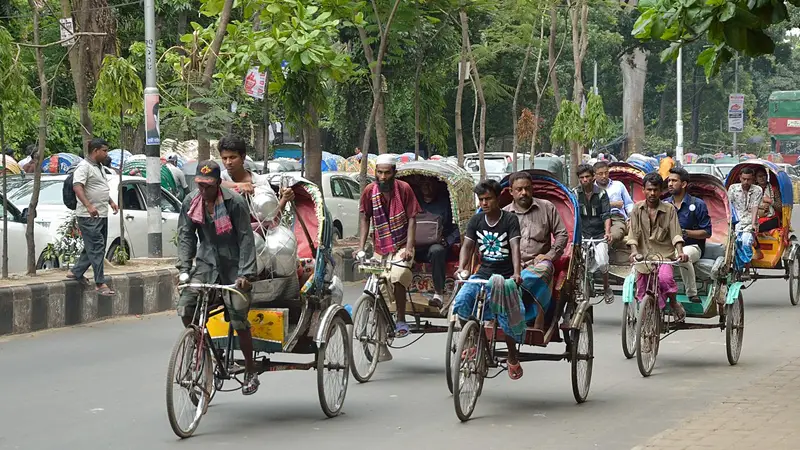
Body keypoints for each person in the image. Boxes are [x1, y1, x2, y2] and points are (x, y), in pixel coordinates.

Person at [176, 160, 261, 395]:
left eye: (209, 186)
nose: (203, 191)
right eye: (200, 185)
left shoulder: (235, 203)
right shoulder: (190, 202)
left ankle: (250, 371)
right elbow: (185, 236)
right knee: (186, 308)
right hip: (206, 264)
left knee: (237, 316)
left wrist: (246, 274)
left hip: (234, 267)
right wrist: (184, 268)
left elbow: (246, 239)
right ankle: (205, 349)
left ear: (218, 184)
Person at [453, 179, 524, 379]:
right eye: (481, 199)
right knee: (462, 301)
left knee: (506, 318)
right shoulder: (476, 221)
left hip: (504, 276)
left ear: (498, 198)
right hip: (483, 273)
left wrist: (516, 273)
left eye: (488, 199)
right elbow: (467, 247)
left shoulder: (509, 220)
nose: (484, 203)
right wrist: (461, 268)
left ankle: (511, 356)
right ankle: (476, 341)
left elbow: (515, 248)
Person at [357, 153, 421, 337]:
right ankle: (381, 317)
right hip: (380, 245)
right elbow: (365, 218)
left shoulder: (404, 189)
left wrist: (409, 248)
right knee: (375, 279)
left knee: (398, 274)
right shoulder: (370, 191)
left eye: (386, 173)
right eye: (379, 173)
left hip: (402, 243)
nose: (383, 177)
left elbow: (412, 219)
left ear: (394, 172)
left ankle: (401, 319)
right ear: (375, 173)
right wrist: (360, 248)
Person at [503, 171, 568, 331]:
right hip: (512, 264)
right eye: (519, 189)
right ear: (511, 191)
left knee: (544, 268)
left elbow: (562, 234)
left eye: (527, 188)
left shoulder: (546, 207)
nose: (524, 193)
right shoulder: (504, 214)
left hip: (538, 265)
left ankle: (539, 320)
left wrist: (549, 255)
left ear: (532, 189)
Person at [627, 172, 688, 321]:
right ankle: (645, 317)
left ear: (661, 191)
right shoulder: (637, 209)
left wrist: (680, 252)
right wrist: (634, 252)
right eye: (649, 189)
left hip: (664, 257)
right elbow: (632, 236)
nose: (652, 193)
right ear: (643, 190)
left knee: (665, 279)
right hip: (643, 257)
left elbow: (676, 234)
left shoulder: (669, 209)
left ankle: (673, 303)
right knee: (641, 291)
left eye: (655, 189)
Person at [67, 138, 118, 296]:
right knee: (96, 246)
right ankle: (100, 283)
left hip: (101, 213)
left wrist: (110, 201)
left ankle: (76, 271)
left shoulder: (99, 167)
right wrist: (88, 206)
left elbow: (99, 186)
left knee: (96, 246)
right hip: (88, 215)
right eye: (104, 150)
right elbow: (78, 186)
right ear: (95, 151)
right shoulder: (84, 167)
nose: (106, 153)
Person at [665, 167, 712, 304]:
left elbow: (707, 232)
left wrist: (684, 232)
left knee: (683, 255)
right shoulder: (665, 205)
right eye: (669, 181)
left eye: (674, 181)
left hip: (693, 246)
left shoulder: (697, 204)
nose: (670, 184)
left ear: (684, 184)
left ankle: (691, 293)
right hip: (668, 246)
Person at [218, 134, 293, 219]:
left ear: (243, 157)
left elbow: (273, 217)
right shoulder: (220, 177)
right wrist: (238, 186)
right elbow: (212, 183)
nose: (228, 162)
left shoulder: (260, 182)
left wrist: (284, 199)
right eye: (224, 158)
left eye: (232, 157)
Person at [413, 177, 459, 308]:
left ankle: (438, 294)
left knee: (437, 250)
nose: (426, 186)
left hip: (436, 246)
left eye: (429, 183)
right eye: (423, 183)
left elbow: (457, 227)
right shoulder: (414, 201)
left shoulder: (446, 204)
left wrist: (448, 241)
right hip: (414, 244)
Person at [573, 164, 613, 303]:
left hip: (598, 234)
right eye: (582, 177)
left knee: (602, 262)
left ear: (593, 177)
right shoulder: (575, 194)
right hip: (582, 234)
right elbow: (573, 215)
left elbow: (606, 215)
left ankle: (606, 287)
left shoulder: (602, 194)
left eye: (587, 177)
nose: (585, 180)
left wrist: (607, 233)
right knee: (576, 262)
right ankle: (578, 287)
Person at [728, 167, 763, 269]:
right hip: (735, 221)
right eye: (744, 179)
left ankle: (747, 266)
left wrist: (753, 224)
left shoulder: (757, 190)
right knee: (733, 244)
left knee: (745, 242)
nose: (746, 182)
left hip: (749, 222)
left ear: (753, 179)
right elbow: (729, 205)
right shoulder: (733, 188)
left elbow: (755, 206)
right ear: (740, 178)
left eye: (749, 179)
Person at [594, 160, 634, 245]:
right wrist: (613, 204)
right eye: (600, 174)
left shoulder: (618, 185)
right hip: (598, 219)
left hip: (617, 218)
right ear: (594, 175)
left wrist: (631, 217)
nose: (604, 176)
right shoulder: (592, 189)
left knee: (613, 236)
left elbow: (628, 204)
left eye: (606, 173)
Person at [755, 167, 781, 233]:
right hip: (756, 218)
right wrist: (761, 207)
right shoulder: (753, 190)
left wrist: (770, 201)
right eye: (759, 176)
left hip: (772, 218)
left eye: (764, 175)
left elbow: (780, 208)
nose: (762, 178)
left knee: (758, 227)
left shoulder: (774, 189)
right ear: (756, 178)